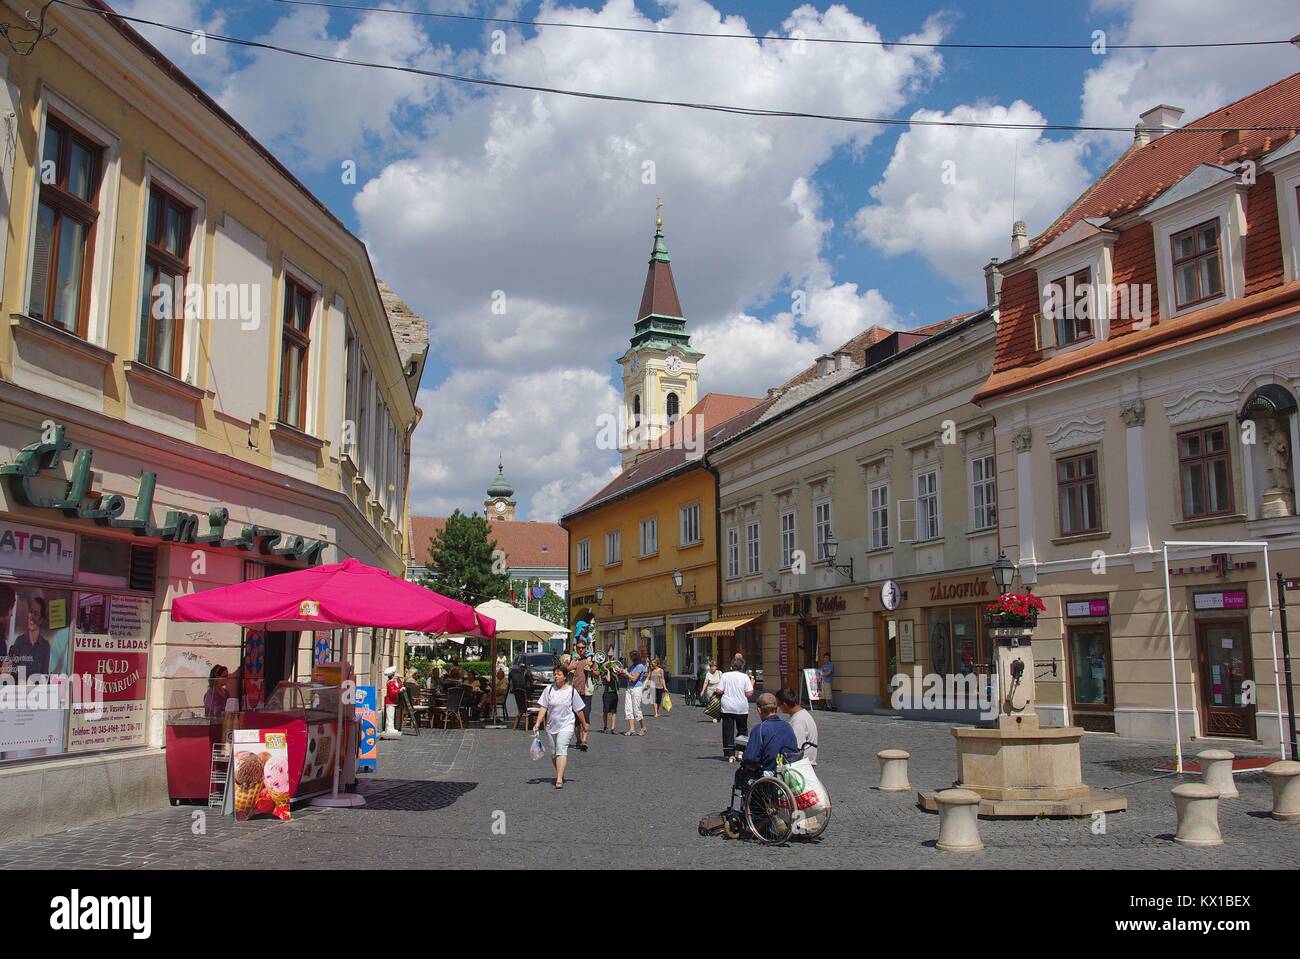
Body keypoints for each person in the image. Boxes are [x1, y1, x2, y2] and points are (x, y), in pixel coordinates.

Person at [533, 665, 587, 788]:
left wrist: (584, 725)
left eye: (558, 674)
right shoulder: (549, 690)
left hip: (567, 724)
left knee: (561, 748)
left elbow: (579, 710)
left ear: (565, 677)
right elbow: (543, 707)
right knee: (553, 753)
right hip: (552, 726)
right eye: (555, 674)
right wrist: (537, 723)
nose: (556, 676)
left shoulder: (571, 691)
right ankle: (560, 772)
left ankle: (559, 779)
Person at [741, 693, 800, 774]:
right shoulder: (788, 726)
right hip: (788, 770)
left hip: (768, 772)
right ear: (776, 709)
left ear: (759, 710)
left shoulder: (760, 729)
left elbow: (751, 757)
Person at [717, 655, 754, 761]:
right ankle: (741, 751)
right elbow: (749, 693)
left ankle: (729, 754)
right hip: (741, 707)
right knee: (742, 729)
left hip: (727, 706)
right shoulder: (745, 677)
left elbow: (719, 690)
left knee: (728, 730)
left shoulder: (725, 675)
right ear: (742, 667)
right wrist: (752, 684)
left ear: (732, 666)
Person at [777, 688, 819, 766]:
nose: (778, 708)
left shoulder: (798, 721)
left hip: (803, 765)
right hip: (807, 762)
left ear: (784, 704)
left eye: (779, 704)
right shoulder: (803, 713)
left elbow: (795, 748)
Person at [569, 639, 594, 750]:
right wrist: (571, 667)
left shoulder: (590, 660)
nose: (580, 649)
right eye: (578, 647)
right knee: (575, 718)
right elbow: (564, 670)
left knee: (586, 716)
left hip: (586, 692)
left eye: (582, 647)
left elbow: (597, 674)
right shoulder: (573, 659)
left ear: (586, 648)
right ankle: (578, 739)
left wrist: (591, 668)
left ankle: (584, 740)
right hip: (574, 692)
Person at [619, 650, 647, 736]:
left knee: (636, 709)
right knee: (628, 709)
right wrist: (621, 673)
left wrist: (626, 673)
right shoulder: (632, 666)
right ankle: (631, 729)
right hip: (629, 688)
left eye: (634, 657)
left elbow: (634, 679)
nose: (633, 659)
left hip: (636, 688)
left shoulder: (640, 666)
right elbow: (627, 677)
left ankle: (643, 727)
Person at [600, 654, 620, 734]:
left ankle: (613, 728)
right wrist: (607, 670)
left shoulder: (615, 673)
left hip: (614, 693)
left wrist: (614, 664)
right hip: (607, 694)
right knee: (605, 711)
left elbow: (620, 669)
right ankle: (605, 726)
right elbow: (608, 680)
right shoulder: (604, 674)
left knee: (614, 711)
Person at [698, 659, 722, 724]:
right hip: (710, 691)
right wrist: (702, 691)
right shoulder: (708, 674)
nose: (712, 668)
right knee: (714, 704)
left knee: (719, 704)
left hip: (718, 691)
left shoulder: (719, 673)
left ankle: (718, 717)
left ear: (716, 667)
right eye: (711, 666)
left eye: (714, 666)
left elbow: (723, 682)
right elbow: (705, 683)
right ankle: (716, 716)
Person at [507, 658, 530, 723]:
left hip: (516, 690)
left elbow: (509, 679)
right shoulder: (526, 671)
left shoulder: (513, 671)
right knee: (528, 701)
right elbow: (529, 682)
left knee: (521, 704)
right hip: (524, 690)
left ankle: (521, 711)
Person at [383, 665, 403, 738]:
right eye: (396, 673)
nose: (397, 674)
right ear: (392, 675)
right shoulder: (390, 683)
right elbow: (392, 692)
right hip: (390, 701)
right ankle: (388, 728)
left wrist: (399, 679)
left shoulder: (395, 682)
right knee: (390, 716)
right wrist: (399, 690)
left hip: (394, 701)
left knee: (392, 715)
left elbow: (400, 685)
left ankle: (391, 728)